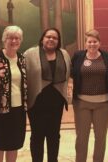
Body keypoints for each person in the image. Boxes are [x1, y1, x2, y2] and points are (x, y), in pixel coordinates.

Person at [24, 28, 71, 162]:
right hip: (36, 101)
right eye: (48, 37)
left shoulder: (64, 54)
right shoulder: (30, 54)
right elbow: (23, 76)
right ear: (42, 38)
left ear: (58, 41)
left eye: (54, 38)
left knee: (54, 135)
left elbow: (69, 73)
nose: (51, 39)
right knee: (37, 135)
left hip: (56, 102)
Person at [71, 29, 108, 162]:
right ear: (85, 43)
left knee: (101, 137)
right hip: (82, 103)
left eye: (95, 41)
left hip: (103, 103)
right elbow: (73, 72)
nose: (92, 44)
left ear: (99, 43)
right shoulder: (78, 56)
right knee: (82, 137)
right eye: (89, 41)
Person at [0, 26, 27, 162]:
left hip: (19, 109)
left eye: (17, 38)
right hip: (0, 109)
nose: (14, 41)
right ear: (4, 40)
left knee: (14, 144)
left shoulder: (22, 59)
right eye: (10, 38)